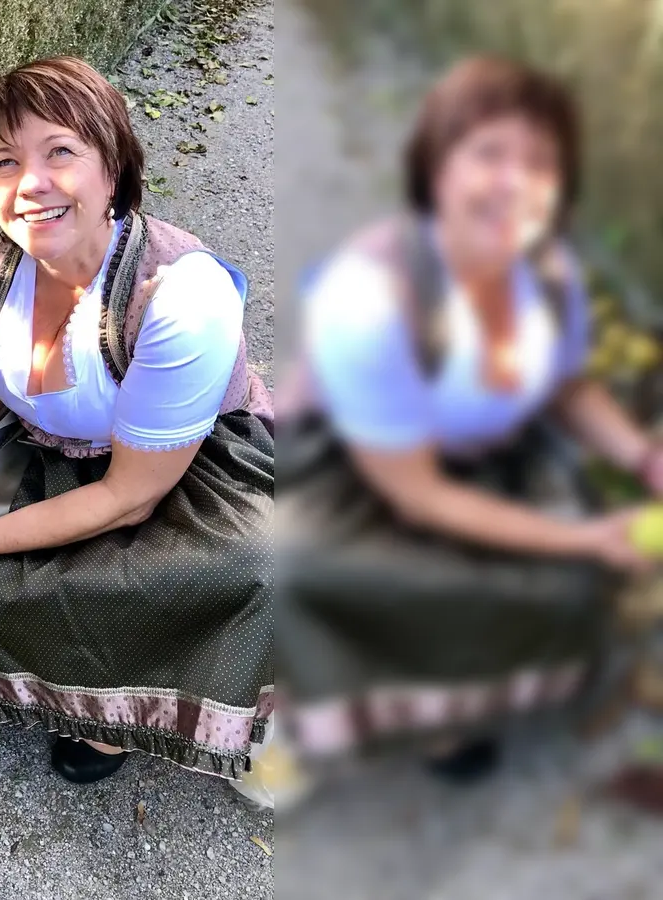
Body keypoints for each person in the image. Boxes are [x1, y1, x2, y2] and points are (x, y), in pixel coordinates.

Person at [0, 56, 275, 785]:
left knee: (242, 571)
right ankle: (91, 700)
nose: (30, 183)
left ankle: (186, 709)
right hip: (62, 452)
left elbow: (131, 495)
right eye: (5, 162)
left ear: (113, 167)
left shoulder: (180, 300)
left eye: (60, 151)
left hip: (182, 468)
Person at [277, 56, 659, 781]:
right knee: (367, 585)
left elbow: (567, 389)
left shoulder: (548, 274)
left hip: (485, 457)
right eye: (489, 153)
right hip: (355, 475)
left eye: (540, 162)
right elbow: (415, 493)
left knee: (554, 588)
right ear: (436, 167)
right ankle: (312, 720)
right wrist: (583, 537)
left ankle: (451, 713)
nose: (516, 182)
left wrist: (644, 460)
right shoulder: (371, 294)